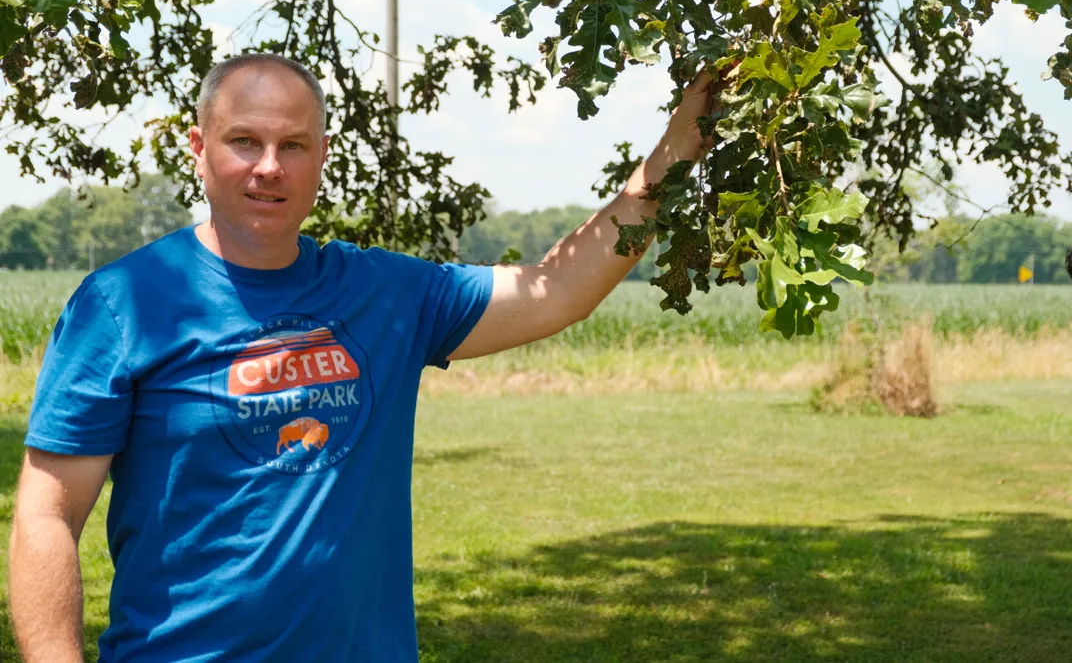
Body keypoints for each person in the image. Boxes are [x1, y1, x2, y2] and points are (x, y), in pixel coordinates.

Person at [9, 53, 721, 662]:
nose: (268, 167)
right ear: (199, 148)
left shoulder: (387, 292)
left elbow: (559, 288)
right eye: (243, 141)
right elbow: (46, 515)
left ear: (322, 154)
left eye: (293, 144)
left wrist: (678, 146)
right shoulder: (125, 302)